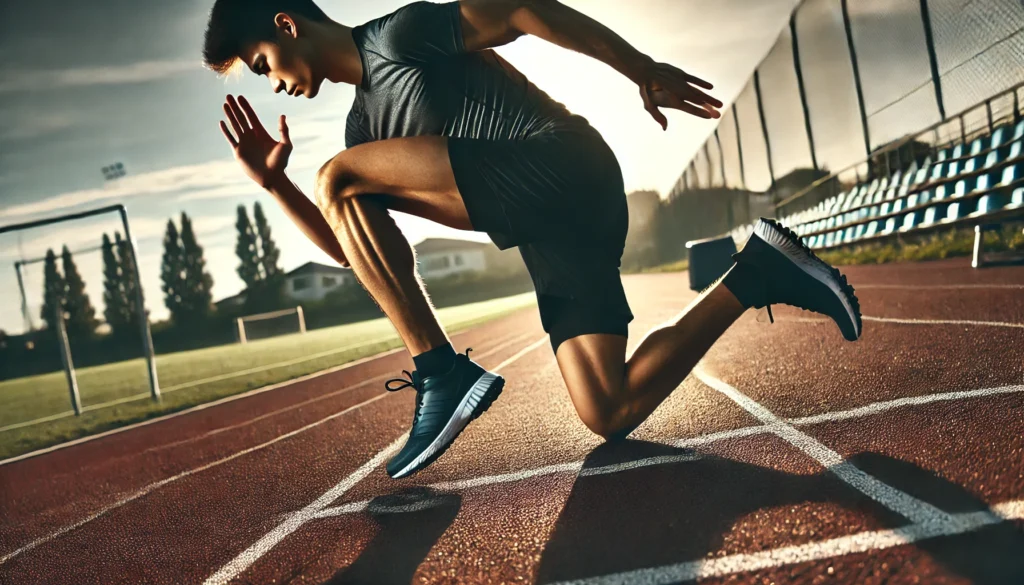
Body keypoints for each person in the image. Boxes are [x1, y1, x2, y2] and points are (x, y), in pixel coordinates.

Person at [203, 0, 862, 479]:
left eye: (264, 65)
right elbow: (360, 255)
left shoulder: (396, 37)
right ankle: (758, 271)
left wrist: (636, 68)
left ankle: (443, 371)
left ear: (287, 24)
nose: (276, 83)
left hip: (563, 162)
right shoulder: (364, 137)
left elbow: (518, 8)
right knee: (608, 406)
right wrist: (276, 186)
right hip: (554, 227)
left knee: (338, 178)